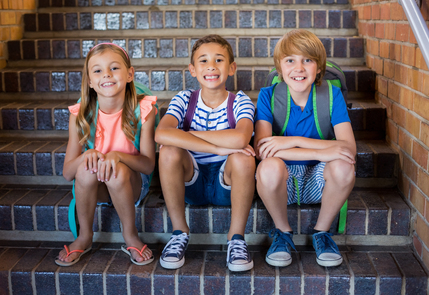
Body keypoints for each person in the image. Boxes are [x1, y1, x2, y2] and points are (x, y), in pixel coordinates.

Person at [254, 29, 356, 267]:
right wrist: (323, 150)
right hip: (281, 184)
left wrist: (291, 141)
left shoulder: (332, 95)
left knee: (343, 165)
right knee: (268, 167)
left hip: (320, 182)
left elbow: (348, 148)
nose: (298, 68)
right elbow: (262, 150)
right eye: (290, 60)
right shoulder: (268, 96)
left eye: (307, 60)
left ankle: (322, 232)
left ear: (319, 67)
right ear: (280, 68)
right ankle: (282, 232)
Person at [155, 35, 256, 272]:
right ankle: (179, 233)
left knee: (243, 156)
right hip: (192, 182)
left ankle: (237, 239)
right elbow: (161, 133)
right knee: (169, 151)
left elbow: (241, 139)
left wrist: (186, 136)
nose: (211, 66)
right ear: (192, 69)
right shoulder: (184, 99)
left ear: (231, 68)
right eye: (203, 60)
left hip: (227, 184)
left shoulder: (240, 101)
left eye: (219, 60)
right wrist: (218, 147)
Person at [56, 43, 157, 266]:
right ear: (90, 81)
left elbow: (149, 165)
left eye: (114, 68)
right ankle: (84, 236)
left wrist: (118, 156)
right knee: (85, 167)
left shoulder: (144, 110)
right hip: (96, 187)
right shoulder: (80, 114)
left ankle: (130, 235)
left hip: (131, 184)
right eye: (98, 70)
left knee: (116, 171)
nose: (107, 75)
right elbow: (67, 173)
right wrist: (87, 156)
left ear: (130, 74)